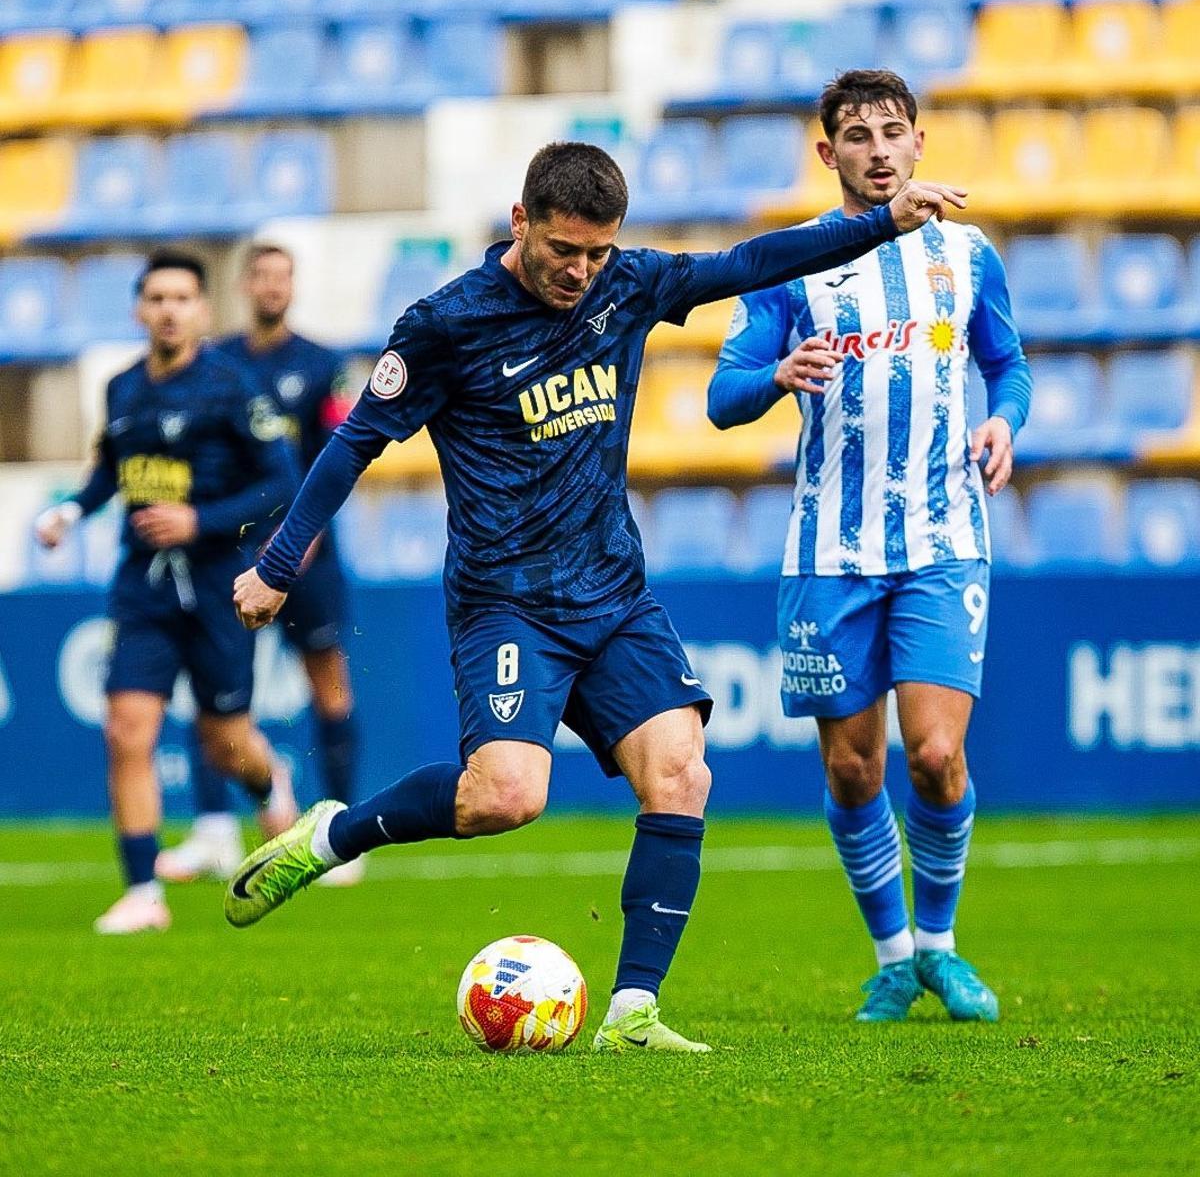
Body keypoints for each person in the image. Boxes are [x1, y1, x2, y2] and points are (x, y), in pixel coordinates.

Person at [223, 141, 965, 1052]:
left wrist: (880, 224)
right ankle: (334, 836)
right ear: (520, 221)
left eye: (597, 253)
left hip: (612, 593)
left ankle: (632, 1013)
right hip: (508, 603)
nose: (580, 272)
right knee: (504, 798)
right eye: (564, 251)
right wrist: (279, 561)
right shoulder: (446, 324)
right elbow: (352, 446)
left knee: (683, 771)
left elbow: (751, 263)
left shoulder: (629, 285)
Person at [707, 71, 1031, 1023]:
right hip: (828, 551)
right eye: (858, 135)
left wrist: (1004, 422)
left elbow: (1007, 365)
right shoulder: (792, 263)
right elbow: (724, 399)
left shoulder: (969, 255)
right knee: (854, 767)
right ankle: (892, 956)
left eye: (894, 131)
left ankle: (940, 947)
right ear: (829, 154)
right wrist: (775, 373)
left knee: (934, 756)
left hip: (943, 537)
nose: (879, 149)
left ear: (920, 144)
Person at [35, 250, 299, 935]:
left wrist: (199, 521)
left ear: (203, 311)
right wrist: (71, 510)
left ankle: (271, 784)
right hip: (143, 590)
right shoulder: (122, 387)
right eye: (156, 298)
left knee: (226, 744)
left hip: (218, 586)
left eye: (182, 298)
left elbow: (282, 482)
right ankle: (143, 891)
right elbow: (109, 471)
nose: (168, 310)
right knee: (127, 731)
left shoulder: (232, 388)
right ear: (138, 309)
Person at [155, 243, 364, 888]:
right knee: (213, 686)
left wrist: (309, 533)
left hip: (307, 552)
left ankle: (340, 833)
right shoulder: (217, 362)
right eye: (262, 276)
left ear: (293, 285)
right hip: (233, 553)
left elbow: (342, 453)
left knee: (327, 680)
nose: (272, 287)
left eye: (283, 276)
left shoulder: (323, 365)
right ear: (246, 285)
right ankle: (215, 828)